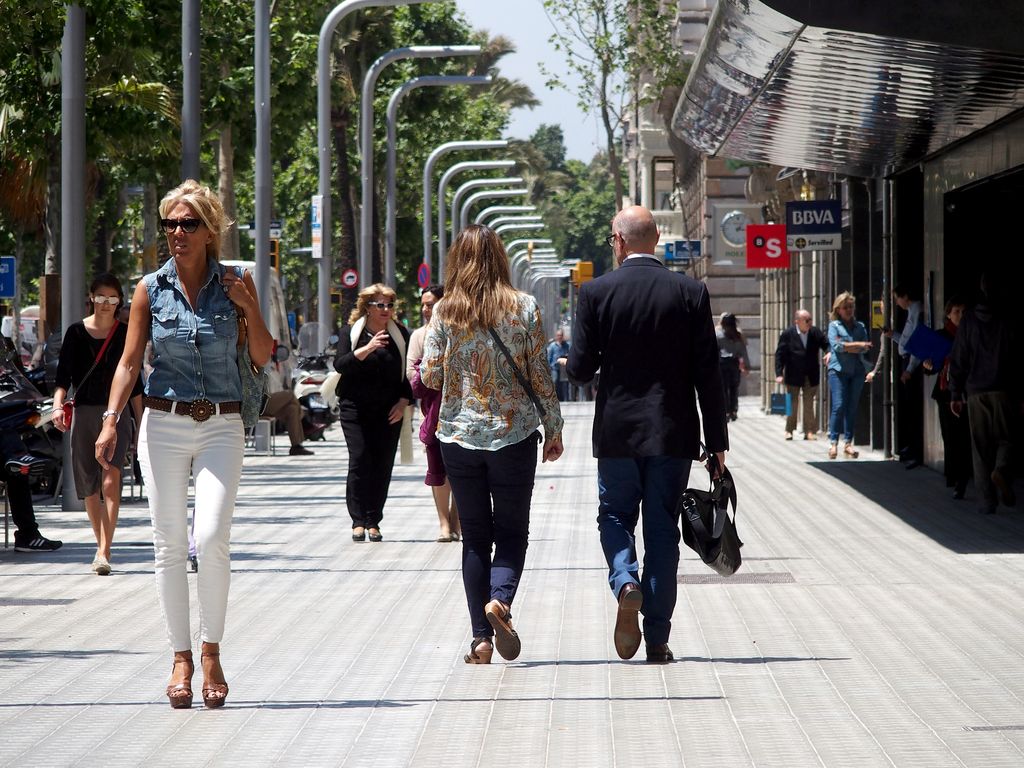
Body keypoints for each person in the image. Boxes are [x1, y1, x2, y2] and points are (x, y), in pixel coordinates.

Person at [96, 179, 273, 710]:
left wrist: (250, 308)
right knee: (169, 543)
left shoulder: (238, 281)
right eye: (170, 224)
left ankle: (212, 651)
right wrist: (109, 420)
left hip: (222, 422)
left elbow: (263, 355)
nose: (177, 232)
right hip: (164, 422)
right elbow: (130, 361)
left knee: (212, 535)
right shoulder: (151, 287)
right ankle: (180, 658)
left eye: (188, 223)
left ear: (209, 229)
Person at [566, 205, 728, 664]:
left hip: (617, 433)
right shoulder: (691, 292)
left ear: (618, 241)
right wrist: (716, 444)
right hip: (673, 434)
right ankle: (657, 638)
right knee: (661, 532)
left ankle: (625, 581)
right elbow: (708, 376)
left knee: (615, 517)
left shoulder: (596, 291)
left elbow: (579, 371)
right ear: (655, 240)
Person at [420, 225, 563, 664]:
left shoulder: (445, 311)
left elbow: (429, 376)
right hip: (514, 436)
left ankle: (480, 640)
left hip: (459, 439)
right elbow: (539, 374)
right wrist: (553, 427)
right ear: (501, 258)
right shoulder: (525, 307)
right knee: (512, 533)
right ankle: (500, 600)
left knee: (475, 539)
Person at [51, 273, 143, 575]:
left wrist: (142, 422)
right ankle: (100, 543)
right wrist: (56, 406)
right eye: (101, 297)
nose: (106, 304)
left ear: (120, 301)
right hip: (84, 413)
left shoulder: (126, 333)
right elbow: (63, 376)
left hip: (115, 416)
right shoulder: (76, 333)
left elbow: (136, 383)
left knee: (110, 477)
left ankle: (104, 550)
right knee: (89, 484)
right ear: (91, 297)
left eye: (113, 298)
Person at [333, 283, 412, 543]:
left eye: (390, 304)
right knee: (359, 459)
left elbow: (405, 376)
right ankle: (358, 520)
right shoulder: (351, 333)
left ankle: (373, 520)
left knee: (382, 465)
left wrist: (403, 402)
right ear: (367, 306)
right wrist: (368, 349)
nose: (386, 309)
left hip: (388, 411)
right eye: (381, 304)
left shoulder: (400, 334)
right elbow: (340, 364)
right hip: (354, 408)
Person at [948, 275, 1019, 514]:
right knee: (1008, 439)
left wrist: (955, 393)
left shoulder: (968, 320)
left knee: (979, 448)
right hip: (1004, 389)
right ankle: (1001, 469)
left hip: (975, 391)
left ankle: (987, 502)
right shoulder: (1008, 319)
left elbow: (959, 358)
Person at [408, 284, 460, 542]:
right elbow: (411, 374)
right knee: (438, 470)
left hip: (463, 412)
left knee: (461, 470)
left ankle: (456, 519)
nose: (426, 309)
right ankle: (443, 524)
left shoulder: (460, 330)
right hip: (433, 414)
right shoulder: (419, 336)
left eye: (431, 304)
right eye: (424, 304)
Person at [922, 297, 971, 500]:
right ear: (948, 314)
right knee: (950, 437)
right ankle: (955, 476)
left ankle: (963, 479)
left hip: (968, 391)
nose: (960, 315)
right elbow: (931, 367)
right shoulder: (941, 336)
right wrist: (928, 365)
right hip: (945, 392)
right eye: (956, 311)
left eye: (963, 311)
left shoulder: (971, 334)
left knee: (965, 437)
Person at [826, 292, 874, 460]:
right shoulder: (834, 326)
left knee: (851, 407)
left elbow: (866, 347)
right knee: (838, 406)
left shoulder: (860, 326)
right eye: (845, 307)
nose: (849, 310)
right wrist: (857, 345)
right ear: (838, 309)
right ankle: (833, 443)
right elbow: (837, 347)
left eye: (851, 307)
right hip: (837, 371)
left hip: (857, 371)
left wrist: (850, 346)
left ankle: (848, 442)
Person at [775, 309, 830, 440]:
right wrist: (779, 373)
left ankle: (809, 431)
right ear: (797, 321)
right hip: (793, 374)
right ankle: (789, 430)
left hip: (811, 374)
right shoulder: (788, 334)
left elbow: (826, 343)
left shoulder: (814, 332)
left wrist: (829, 352)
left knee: (809, 403)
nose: (809, 322)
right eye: (806, 320)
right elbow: (780, 354)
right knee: (792, 403)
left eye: (810, 319)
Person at [888, 285, 925, 467]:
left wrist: (910, 369)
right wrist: (892, 335)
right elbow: (906, 339)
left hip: (912, 363)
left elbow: (917, 342)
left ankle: (917, 451)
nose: (896, 302)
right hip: (906, 360)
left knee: (913, 408)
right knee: (909, 408)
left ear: (905, 296)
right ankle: (911, 447)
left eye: (897, 298)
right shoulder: (911, 311)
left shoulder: (917, 310)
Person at [716, 312, 749, 422]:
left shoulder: (718, 334)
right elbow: (743, 351)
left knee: (724, 389)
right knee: (734, 388)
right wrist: (747, 366)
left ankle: (726, 411)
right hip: (734, 364)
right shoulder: (738, 335)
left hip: (722, 364)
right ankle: (733, 410)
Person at [546, 328, 571, 401]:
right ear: (556, 336)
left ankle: (565, 399)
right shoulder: (552, 346)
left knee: (564, 384)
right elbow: (549, 357)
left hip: (564, 368)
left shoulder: (566, 345)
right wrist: (549, 366)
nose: (559, 336)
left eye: (561, 335)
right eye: (558, 335)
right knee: (555, 382)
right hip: (555, 368)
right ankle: (555, 398)